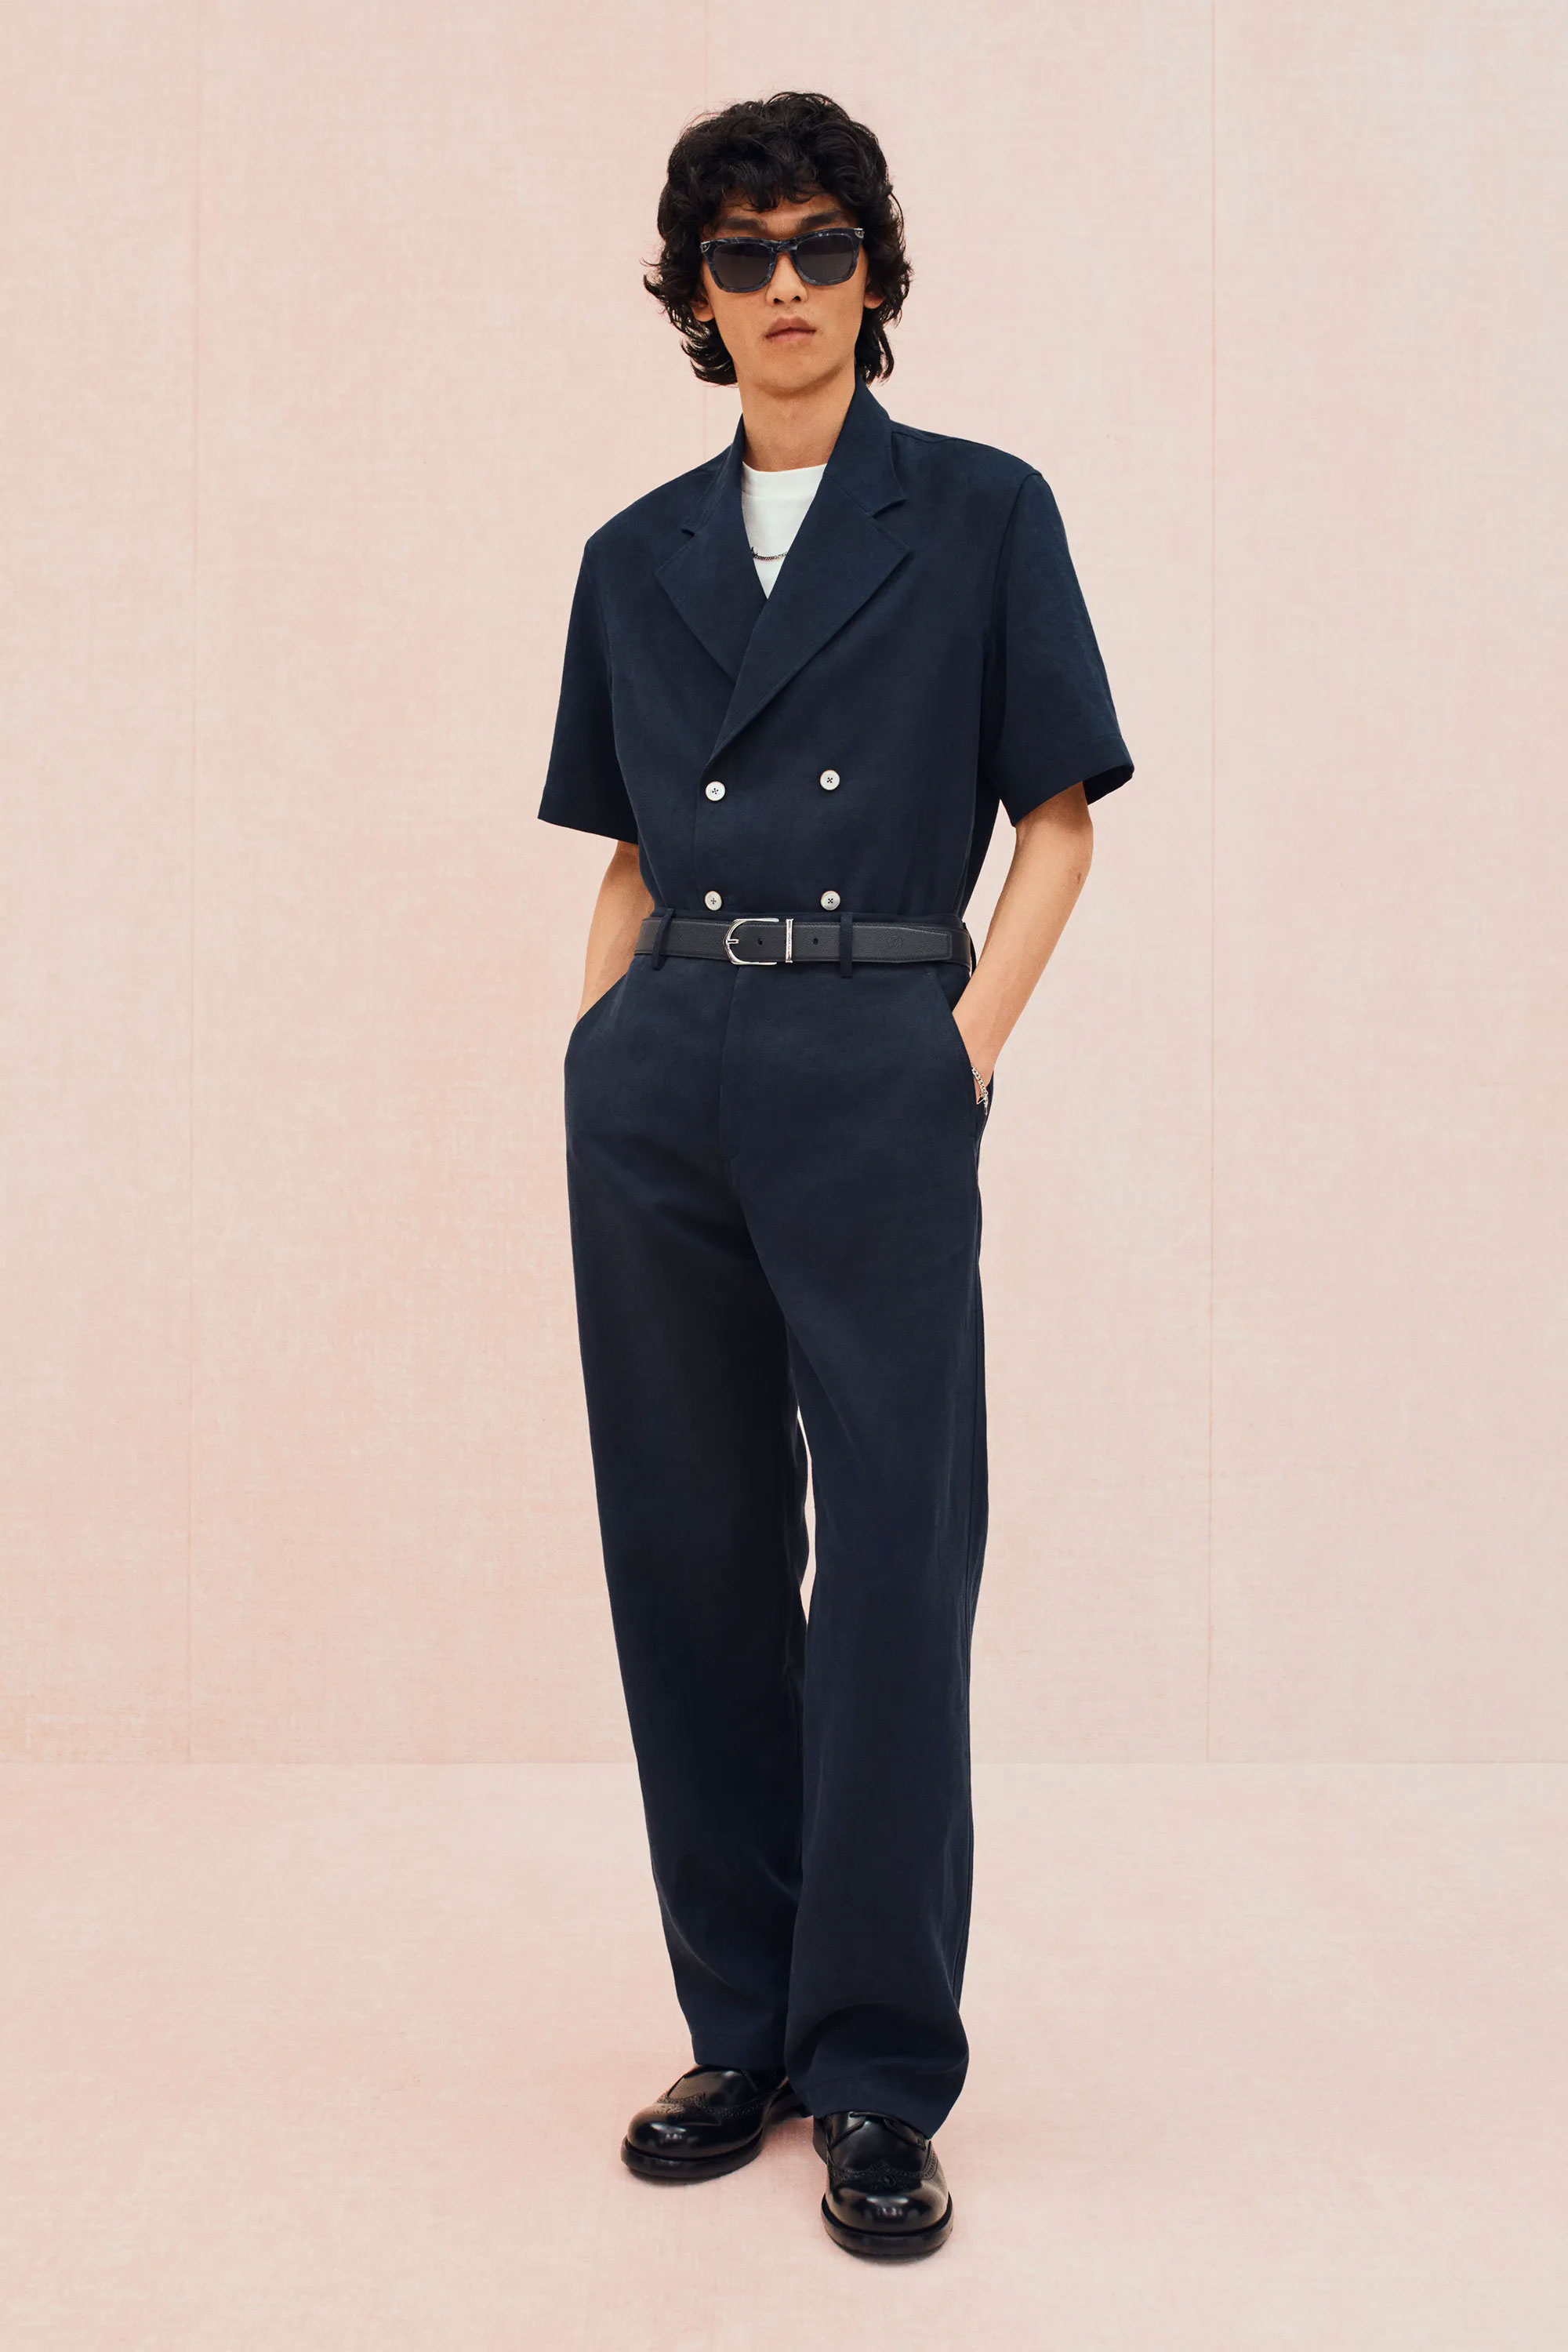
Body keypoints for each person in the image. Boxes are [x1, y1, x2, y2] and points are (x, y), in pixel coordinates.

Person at [538, 90, 1133, 2260]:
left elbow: (1057, 821)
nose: (781, 287)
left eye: (817, 247)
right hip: (666, 1074)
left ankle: (879, 2065)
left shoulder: (978, 513)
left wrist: (952, 1058)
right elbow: (627, 843)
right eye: (739, 256)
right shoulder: (633, 556)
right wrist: (598, 1044)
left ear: (875, 273)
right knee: (686, 1553)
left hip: (878, 1056)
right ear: (694, 297)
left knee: (893, 1558)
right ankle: (744, 2027)